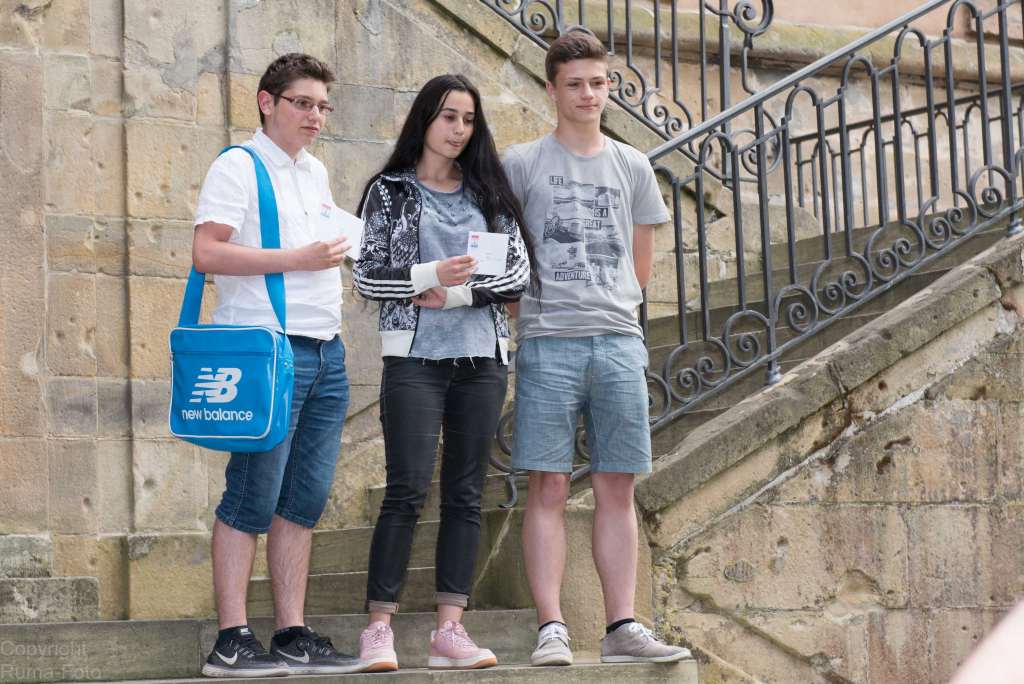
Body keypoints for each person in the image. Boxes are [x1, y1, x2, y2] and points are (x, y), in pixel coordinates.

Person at [502, 30, 693, 666]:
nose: (588, 94)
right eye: (576, 84)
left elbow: (641, 265)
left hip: (617, 343)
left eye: (598, 82)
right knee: (549, 486)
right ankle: (551, 627)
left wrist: (611, 309)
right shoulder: (522, 163)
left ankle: (622, 627)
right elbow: (506, 256)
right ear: (551, 89)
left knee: (617, 488)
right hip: (548, 343)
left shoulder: (633, 165)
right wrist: (528, 318)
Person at [352, 73, 534, 672]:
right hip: (414, 360)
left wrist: (456, 294)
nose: (459, 129)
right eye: (449, 116)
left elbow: (517, 275)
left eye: (469, 119)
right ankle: (378, 629)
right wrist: (431, 275)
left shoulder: (489, 192)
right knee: (405, 489)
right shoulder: (391, 192)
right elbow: (367, 276)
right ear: (425, 119)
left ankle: (449, 631)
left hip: (483, 360)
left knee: (465, 494)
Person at [191, 53, 359, 677]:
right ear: (268, 102)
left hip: (325, 350)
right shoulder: (238, 165)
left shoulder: (315, 171)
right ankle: (231, 639)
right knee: (250, 495)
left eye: (323, 106)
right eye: (303, 103)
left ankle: (291, 632)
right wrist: (297, 258)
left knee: (304, 499)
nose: (316, 116)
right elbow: (206, 252)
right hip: (266, 349)